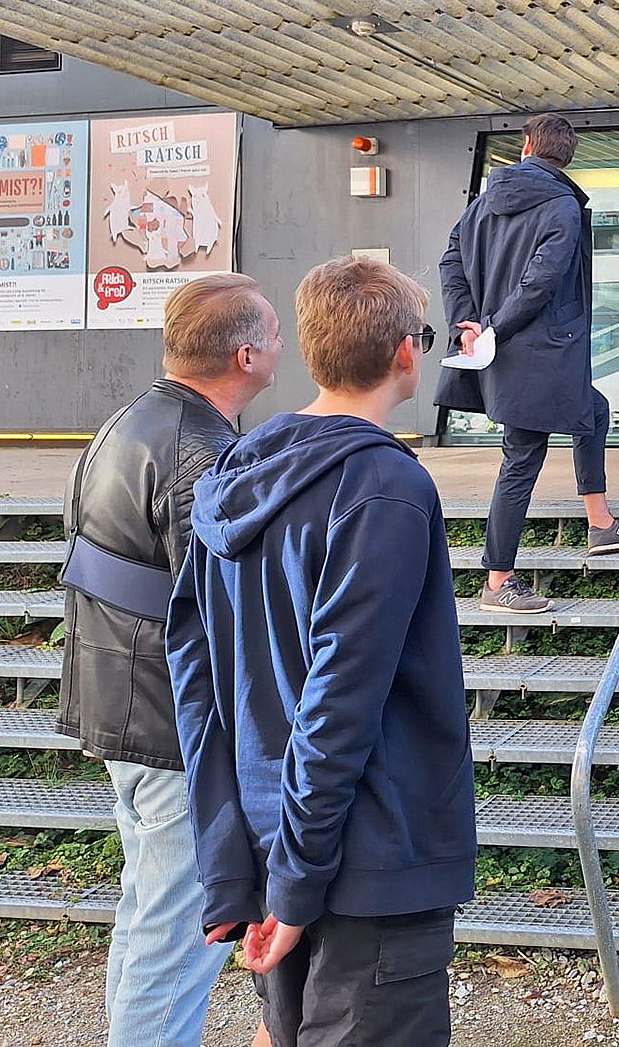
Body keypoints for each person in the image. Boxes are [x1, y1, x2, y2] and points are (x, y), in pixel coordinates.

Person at [169, 256, 479, 1046]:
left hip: (281, 850)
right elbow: (339, 703)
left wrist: (240, 871)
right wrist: (294, 888)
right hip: (366, 857)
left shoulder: (233, 472)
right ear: (407, 352)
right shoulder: (384, 487)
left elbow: (198, 684)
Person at [59, 273, 283, 1047]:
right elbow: (223, 612)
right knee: (183, 927)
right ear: (247, 353)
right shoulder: (205, 453)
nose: (284, 346)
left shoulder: (125, 421)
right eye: (277, 334)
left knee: (148, 911)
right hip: (169, 721)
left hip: (117, 696)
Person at [438, 112, 619, 615]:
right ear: (566, 156)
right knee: (521, 458)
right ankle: (498, 581)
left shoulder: (483, 204)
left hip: (506, 345)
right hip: (538, 349)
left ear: (526, 147)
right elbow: (541, 280)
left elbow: (451, 259)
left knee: (593, 412)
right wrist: (492, 326)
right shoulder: (562, 205)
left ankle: (600, 525)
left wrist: (467, 322)